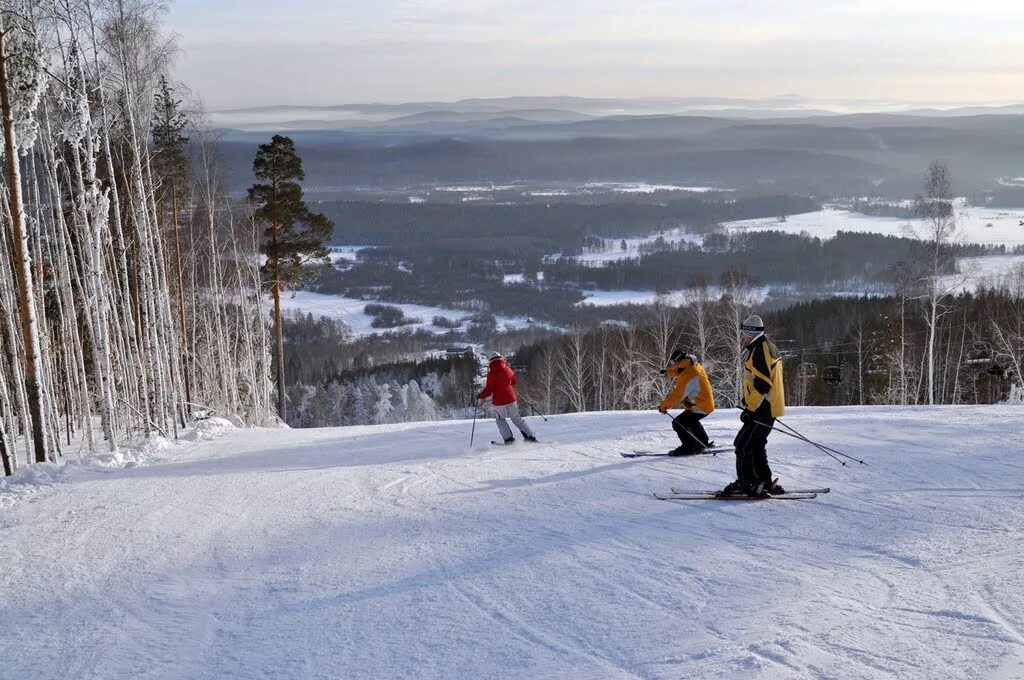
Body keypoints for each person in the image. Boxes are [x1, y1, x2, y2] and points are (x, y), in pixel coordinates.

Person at [720, 314, 786, 497]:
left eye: (744, 332)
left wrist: (750, 408)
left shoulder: (759, 350)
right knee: (756, 444)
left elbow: (763, 384)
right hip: (768, 406)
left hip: (762, 407)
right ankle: (763, 481)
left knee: (742, 444)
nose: (743, 336)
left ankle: (747, 483)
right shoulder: (767, 346)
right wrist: (747, 400)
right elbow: (759, 380)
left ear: (750, 332)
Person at [657, 350, 715, 455]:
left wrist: (663, 406)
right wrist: (667, 372)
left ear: (680, 361)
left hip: (700, 405)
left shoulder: (690, 374)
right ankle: (702, 442)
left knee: (678, 423)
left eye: (674, 362)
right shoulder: (690, 364)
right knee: (691, 421)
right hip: (703, 403)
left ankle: (689, 447)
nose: (673, 365)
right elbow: (678, 371)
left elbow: (678, 395)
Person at [478, 353, 538, 444]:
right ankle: (530, 436)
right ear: (501, 358)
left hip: (499, 402)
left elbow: (489, 389)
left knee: (500, 419)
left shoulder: (491, 373)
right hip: (511, 398)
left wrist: (481, 395)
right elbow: (514, 381)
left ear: (491, 361)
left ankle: (509, 439)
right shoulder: (507, 369)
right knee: (516, 418)